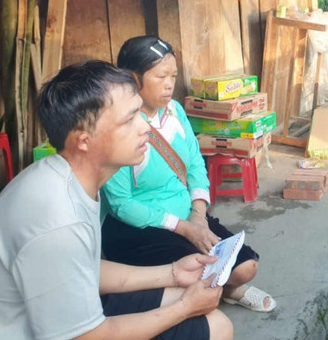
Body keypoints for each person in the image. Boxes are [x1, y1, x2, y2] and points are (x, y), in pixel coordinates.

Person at [0, 61, 233, 340]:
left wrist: (172, 273)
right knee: (215, 331)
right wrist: (183, 308)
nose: (145, 128)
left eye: (141, 113)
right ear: (84, 140)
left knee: (188, 300)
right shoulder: (57, 221)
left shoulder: (70, 179)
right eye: (129, 120)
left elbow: (85, 268)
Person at [101, 36, 275, 312]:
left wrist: (198, 214)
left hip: (189, 218)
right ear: (133, 78)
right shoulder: (118, 127)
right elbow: (121, 204)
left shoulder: (175, 111)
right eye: (161, 76)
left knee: (246, 267)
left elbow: (195, 164)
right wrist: (184, 228)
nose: (170, 83)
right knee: (199, 281)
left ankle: (225, 290)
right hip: (141, 229)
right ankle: (212, 293)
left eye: (173, 75)